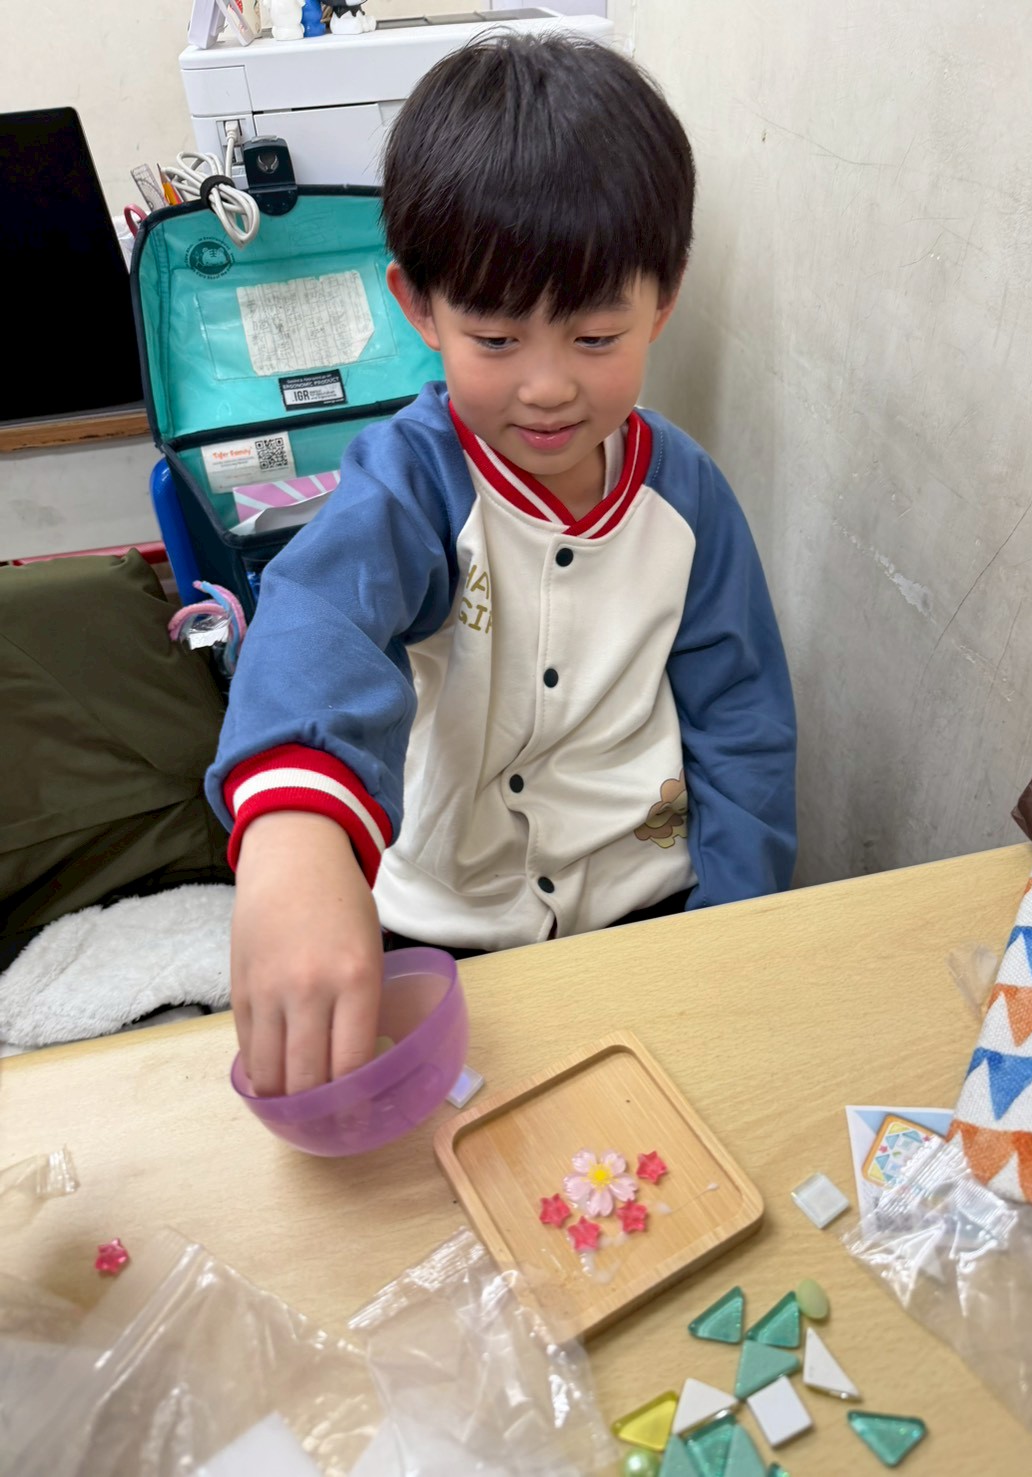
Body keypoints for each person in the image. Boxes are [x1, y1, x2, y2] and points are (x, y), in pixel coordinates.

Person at [206, 34, 797, 1098]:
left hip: (646, 905)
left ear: (663, 301)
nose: (547, 386)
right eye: (494, 340)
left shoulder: (688, 498)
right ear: (420, 307)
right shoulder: (413, 482)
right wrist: (294, 832)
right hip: (445, 925)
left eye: (595, 337)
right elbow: (318, 618)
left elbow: (742, 720)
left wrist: (738, 923)